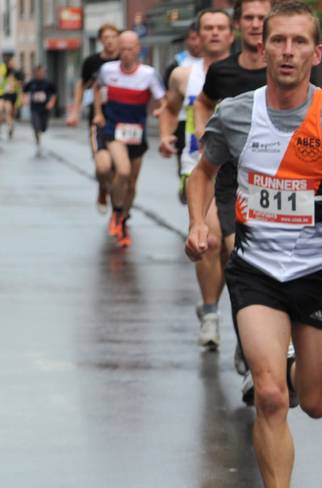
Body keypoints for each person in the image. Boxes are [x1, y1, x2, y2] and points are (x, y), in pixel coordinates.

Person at [185, 0, 322, 488]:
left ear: (317, 53)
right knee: (270, 395)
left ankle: (289, 371)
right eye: (278, 41)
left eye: (299, 43)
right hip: (258, 272)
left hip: (321, 274)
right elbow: (203, 173)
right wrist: (199, 223)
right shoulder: (236, 114)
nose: (287, 52)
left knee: (314, 403)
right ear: (262, 48)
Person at [195, 0, 272, 401]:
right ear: (238, 24)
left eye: (263, 18)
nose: (256, 24)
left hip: (280, 184)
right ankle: (250, 352)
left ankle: (257, 347)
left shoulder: (287, 69)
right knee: (233, 253)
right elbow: (203, 103)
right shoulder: (223, 72)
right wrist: (204, 139)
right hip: (231, 180)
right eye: (250, 18)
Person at [159, 9, 235, 350]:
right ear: (198, 35)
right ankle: (211, 315)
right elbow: (170, 108)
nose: (215, 33)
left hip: (238, 171)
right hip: (198, 168)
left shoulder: (246, 74)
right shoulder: (183, 75)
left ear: (231, 34)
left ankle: (234, 316)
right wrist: (165, 135)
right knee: (212, 240)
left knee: (232, 251)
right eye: (208, 28)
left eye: (221, 28)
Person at [92, 31, 166, 248]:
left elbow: (163, 100)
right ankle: (116, 212)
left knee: (131, 184)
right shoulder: (108, 70)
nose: (125, 53)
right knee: (122, 171)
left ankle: (123, 219)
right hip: (113, 129)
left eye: (130, 49)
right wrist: (98, 113)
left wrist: (160, 110)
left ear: (138, 50)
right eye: (122, 48)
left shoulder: (148, 74)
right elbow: (96, 88)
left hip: (136, 133)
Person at [69, 24, 121, 215]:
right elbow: (81, 86)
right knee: (102, 165)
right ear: (100, 40)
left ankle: (118, 207)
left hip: (122, 118)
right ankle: (103, 188)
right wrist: (75, 111)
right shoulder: (92, 62)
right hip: (98, 119)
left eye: (113, 36)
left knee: (119, 166)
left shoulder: (123, 60)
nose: (110, 41)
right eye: (106, 37)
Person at [161, 23, 204, 204]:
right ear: (187, 40)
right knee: (187, 158)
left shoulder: (220, 64)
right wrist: (165, 130)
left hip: (208, 121)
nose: (196, 43)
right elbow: (168, 96)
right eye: (192, 38)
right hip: (183, 120)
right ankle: (185, 178)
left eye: (198, 38)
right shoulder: (178, 64)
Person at [24, 65, 57, 155]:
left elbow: (54, 94)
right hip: (34, 108)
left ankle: (40, 133)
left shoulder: (48, 83)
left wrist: (51, 103)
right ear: (35, 73)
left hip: (45, 108)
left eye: (41, 72)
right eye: (38, 72)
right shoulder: (31, 83)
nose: (40, 74)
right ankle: (38, 141)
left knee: (43, 127)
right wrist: (25, 99)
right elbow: (24, 91)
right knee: (36, 125)